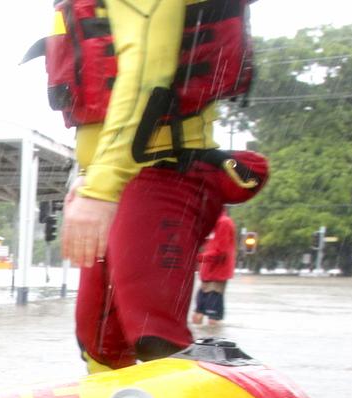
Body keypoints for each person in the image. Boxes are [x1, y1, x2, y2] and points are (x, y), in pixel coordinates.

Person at [51, 0, 266, 372]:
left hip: (161, 172)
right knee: (99, 344)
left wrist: (101, 189)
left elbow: (148, 77)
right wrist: (88, 177)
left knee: (155, 338)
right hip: (112, 176)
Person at [191, 211, 236, 326]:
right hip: (206, 276)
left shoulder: (224, 223)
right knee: (197, 316)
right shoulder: (210, 225)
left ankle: (213, 342)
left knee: (213, 319)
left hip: (217, 276)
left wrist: (198, 258)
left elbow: (221, 253)